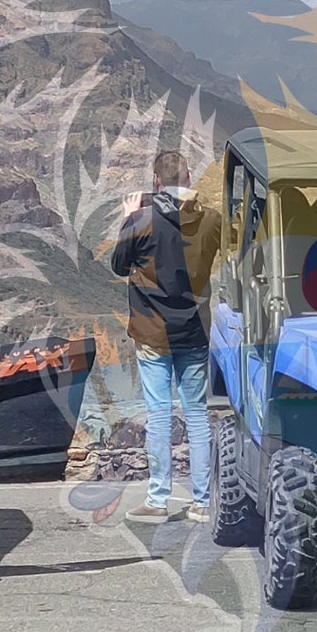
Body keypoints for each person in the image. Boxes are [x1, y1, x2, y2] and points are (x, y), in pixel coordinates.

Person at [111, 151, 222, 525]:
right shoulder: (212, 220)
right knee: (197, 415)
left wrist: (128, 217)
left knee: (159, 414)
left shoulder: (141, 220)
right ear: (189, 177)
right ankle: (203, 502)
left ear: (156, 181)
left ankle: (158, 499)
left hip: (152, 332)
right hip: (193, 330)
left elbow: (118, 265)